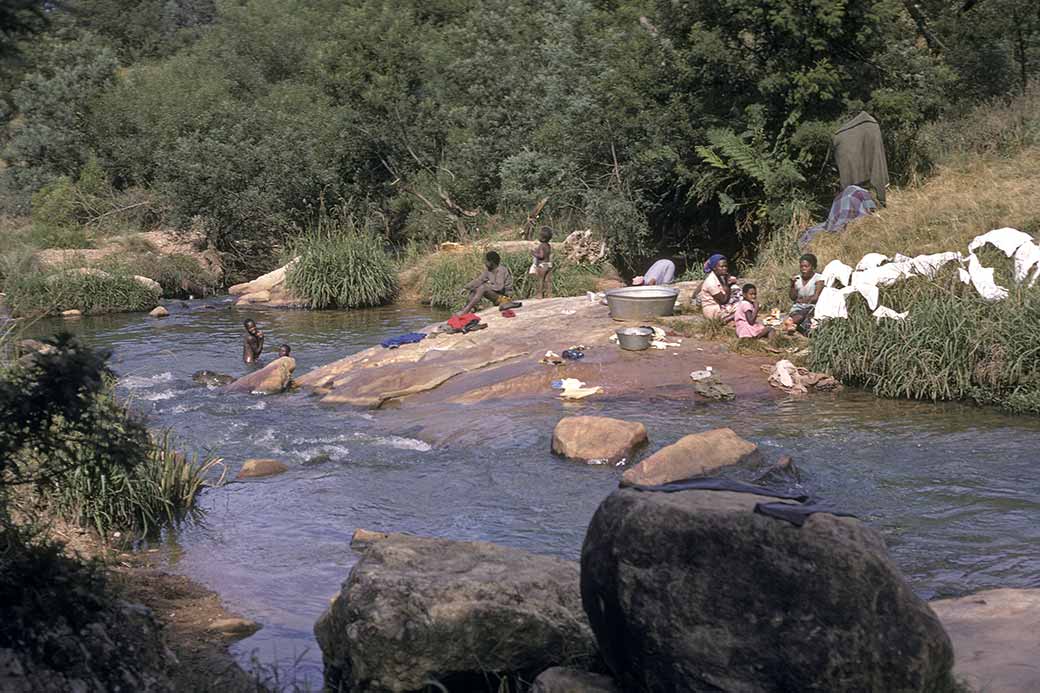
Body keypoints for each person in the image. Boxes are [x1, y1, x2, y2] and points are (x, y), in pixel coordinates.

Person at [459, 251, 517, 315]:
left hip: (505, 299)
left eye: (486, 261)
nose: (485, 263)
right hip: (496, 298)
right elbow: (478, 280)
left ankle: (465, 311)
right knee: (475, 287)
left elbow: (499, 287)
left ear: (491, 262)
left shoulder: (501, 270)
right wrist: (466, 287)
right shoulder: (488, 271)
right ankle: (469, 308)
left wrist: (486, 286)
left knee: (483, 287)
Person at [784, 253, 824, 334]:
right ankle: (793, 323)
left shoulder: (819, 278)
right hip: (797, 308)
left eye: (806, 266)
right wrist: (792, 285)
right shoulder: (797, 279)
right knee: (801, 318)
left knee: (806, 316)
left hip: (812, 308)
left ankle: (791, 322)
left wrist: (803, 300)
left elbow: (815, 297)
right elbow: (793, 297)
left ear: (813, 267)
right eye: (801, 266)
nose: (803, 269)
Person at [698, 254, 740, 321]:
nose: (725, 268)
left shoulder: (719, 276)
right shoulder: (711, 282)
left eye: (725, 266)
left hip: (720, 305)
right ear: (714, 268)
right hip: (713, 311)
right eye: (721, 266)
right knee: (743, 307)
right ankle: (726, 319)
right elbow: (723, 300)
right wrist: (728, 285)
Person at [529, 227, 553, 299]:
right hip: (548, 264)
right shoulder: (548, 245)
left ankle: (539, 295)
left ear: (542, 238)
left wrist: (533, 253)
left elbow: (541, 256)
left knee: (540, 280)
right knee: (548, 281)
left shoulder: (541, 245)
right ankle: (549, 295)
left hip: (542, 265)